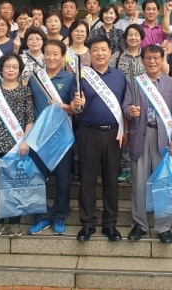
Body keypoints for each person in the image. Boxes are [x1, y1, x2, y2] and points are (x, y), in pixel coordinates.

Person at [122, 45, 172, 244]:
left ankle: (164, 226)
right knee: (139, 184)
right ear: (142, 61)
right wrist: (130, 112)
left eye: (156, 57)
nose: (152, 61)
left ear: (163, 59)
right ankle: (139, 224)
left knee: (163, 183)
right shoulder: (135, 82)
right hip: (140, 135)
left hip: (164, 137)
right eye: (148, 58)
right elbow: (125, 106)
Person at [70, 36, 128, 242]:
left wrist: (125, 131)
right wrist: (77, 105)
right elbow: (74, 108)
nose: (100, 53)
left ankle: (110, 224)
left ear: (110, 52)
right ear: (90, 53)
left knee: (111, 180)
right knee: (87, 180)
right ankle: (87, 224)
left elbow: (125, 106)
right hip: (88, 133)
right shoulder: (80, 77)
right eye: (95, 50)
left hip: (114, 134)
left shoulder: (120, 77)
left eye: (104, 49)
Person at [27, 40, 75, 236]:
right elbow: (28, 106)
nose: (51, 57)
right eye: (48, 53)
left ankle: (59, 216)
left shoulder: (70, 79)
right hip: (39, 136)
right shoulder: (34, 78)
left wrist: (62, 106)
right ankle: (40, 217)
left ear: (63, 57)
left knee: (63, 179)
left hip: (62, 136)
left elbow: (76, 109)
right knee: (37, 178)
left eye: (56, 54)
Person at [0, 53, 35, 237]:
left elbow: (30, 119)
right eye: (7, 66)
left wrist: (25, 142)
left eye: (15, 67)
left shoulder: (25, 91)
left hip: (18, 147)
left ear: (20, 70)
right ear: (1, 69)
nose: (11, 70)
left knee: (16, 186)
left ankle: (15, 222)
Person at [110, 23, 146, 183]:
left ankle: (141, 166)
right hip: (122, 100)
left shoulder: (147, 55)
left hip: (143, 100)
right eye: (130, 34)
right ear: (125, 38)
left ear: (141, 38)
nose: (133, 37)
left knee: (140, 132)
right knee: (124, 132)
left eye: (136, 34)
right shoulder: (117, 56)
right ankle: (126, 168)